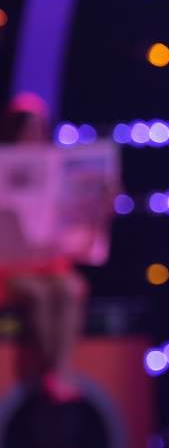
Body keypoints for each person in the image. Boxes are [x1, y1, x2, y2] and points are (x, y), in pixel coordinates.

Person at [0, 92, 88, 403]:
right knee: (37, 294)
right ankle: (49, 373)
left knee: (69, 289)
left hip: (49, 263)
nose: (33, 136)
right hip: (10, 266)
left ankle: (59, 371)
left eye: (38, 129)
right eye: (27, 129)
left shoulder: (56, 168)